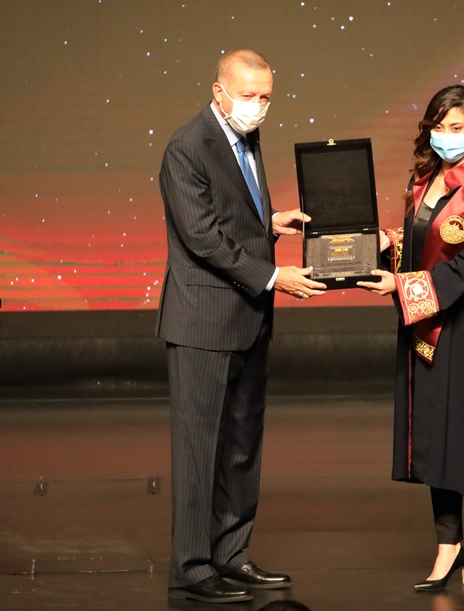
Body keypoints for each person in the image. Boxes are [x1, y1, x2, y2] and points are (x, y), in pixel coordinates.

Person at [157, 50, 326, 604]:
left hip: (247, 318)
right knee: (199, 450)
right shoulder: (188, 146)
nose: (258, 106)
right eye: (248, 95)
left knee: (242, 446)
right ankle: (191, 566)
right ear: (219, 91)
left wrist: (269, 223)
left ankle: (231, 553)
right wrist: (274, 276)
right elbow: (202, 235)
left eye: (266, 97)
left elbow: (231, 213)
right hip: (203, 320)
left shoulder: (246, 138)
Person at [358, 85, 464, 596]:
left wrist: (401, 286)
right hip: (434, 326)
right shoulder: (424, 181)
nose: (446, 135)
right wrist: (387, 243)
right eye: (438, 126)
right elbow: (422, 245)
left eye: (456, 127)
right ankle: (448, 547)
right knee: (438, 436)